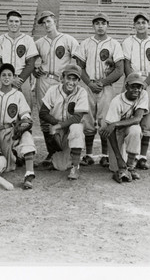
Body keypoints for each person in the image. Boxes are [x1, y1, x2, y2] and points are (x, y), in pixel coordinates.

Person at [73, 12, 124, 168]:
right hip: (88, 86)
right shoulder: (86, 43)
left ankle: (104, 155)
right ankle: (88, 154)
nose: (100, 26)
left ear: (107, 25)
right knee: (87, 119)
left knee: (105, 119)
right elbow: (79, 67)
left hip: (106, 86)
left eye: (103, 23)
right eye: (97, 23)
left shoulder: (114, 44)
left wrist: (102, 82)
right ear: (93, 26)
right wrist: (89, 83)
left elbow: (119, 69)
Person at [33, 10, 79, 166]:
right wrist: (35, 69)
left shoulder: (68, 39)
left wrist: (70, 75)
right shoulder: (39, 43)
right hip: (44, 80)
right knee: (44, 116)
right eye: (43, 23)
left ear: (55, 21)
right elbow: (29, 61)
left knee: (63, 114)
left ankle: (65, 152)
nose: (46, 25)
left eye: (49, 21)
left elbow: (79, 60)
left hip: (61, 82)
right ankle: (51, 153)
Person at [121, 11, 150, 170]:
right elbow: (126, 63)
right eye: (138, 22)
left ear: (148, 24)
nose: (141, 25)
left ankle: (142, 156)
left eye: (143, 22)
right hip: (132, 80)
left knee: (147, 117)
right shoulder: (127, 42)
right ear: (134, 25)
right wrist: (133, 81)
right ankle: (127, 153)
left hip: (148, 82)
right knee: (128, 114)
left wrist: (145, 83)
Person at [0, 63, 37, 190]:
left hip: (13, 131)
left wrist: (25, 121)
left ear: (13, 78)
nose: (6, 78)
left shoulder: (18, 95)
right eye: (4, 75)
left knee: (27, 137)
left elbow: (25, 114)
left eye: (9, 75)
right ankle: (13, 158)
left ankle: (29, 173)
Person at [38, 64, 89, 180]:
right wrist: (57, 124)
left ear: (79, 81)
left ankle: (75, 167)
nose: (71, 82)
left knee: (76, 127)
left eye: (74, 79)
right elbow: (43, 113)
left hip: (71, 129)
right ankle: (63, 157)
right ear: (62, 78)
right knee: (60, 167)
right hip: (59, 131)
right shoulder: (53, 90)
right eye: (68, 78)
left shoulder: (82, 92)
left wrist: (58, 125)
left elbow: (77, 118)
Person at [100, 72, 149, 183]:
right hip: (115, 133)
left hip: (126, 128)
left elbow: (137, 118)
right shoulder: (116, 101)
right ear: (126, 86)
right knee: (115, 168)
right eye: (133, 86)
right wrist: (119, 158)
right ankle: (121, 162)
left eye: (139, 86)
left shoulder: (143, 94)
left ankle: (131, 166)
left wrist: (115, 123)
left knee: (136, 129)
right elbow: (110, 132)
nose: (136, 89)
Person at [0, 10, 39, 110]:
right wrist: (10, 78)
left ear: (21, 23)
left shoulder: (28, 39)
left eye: (16, 21)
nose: (14, 24)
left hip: (22, 79)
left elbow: (30, 64)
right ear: (7, 22)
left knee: (26, 109)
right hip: (4, 77)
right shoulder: (0, 39)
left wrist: (19, 79)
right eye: (11, 21)